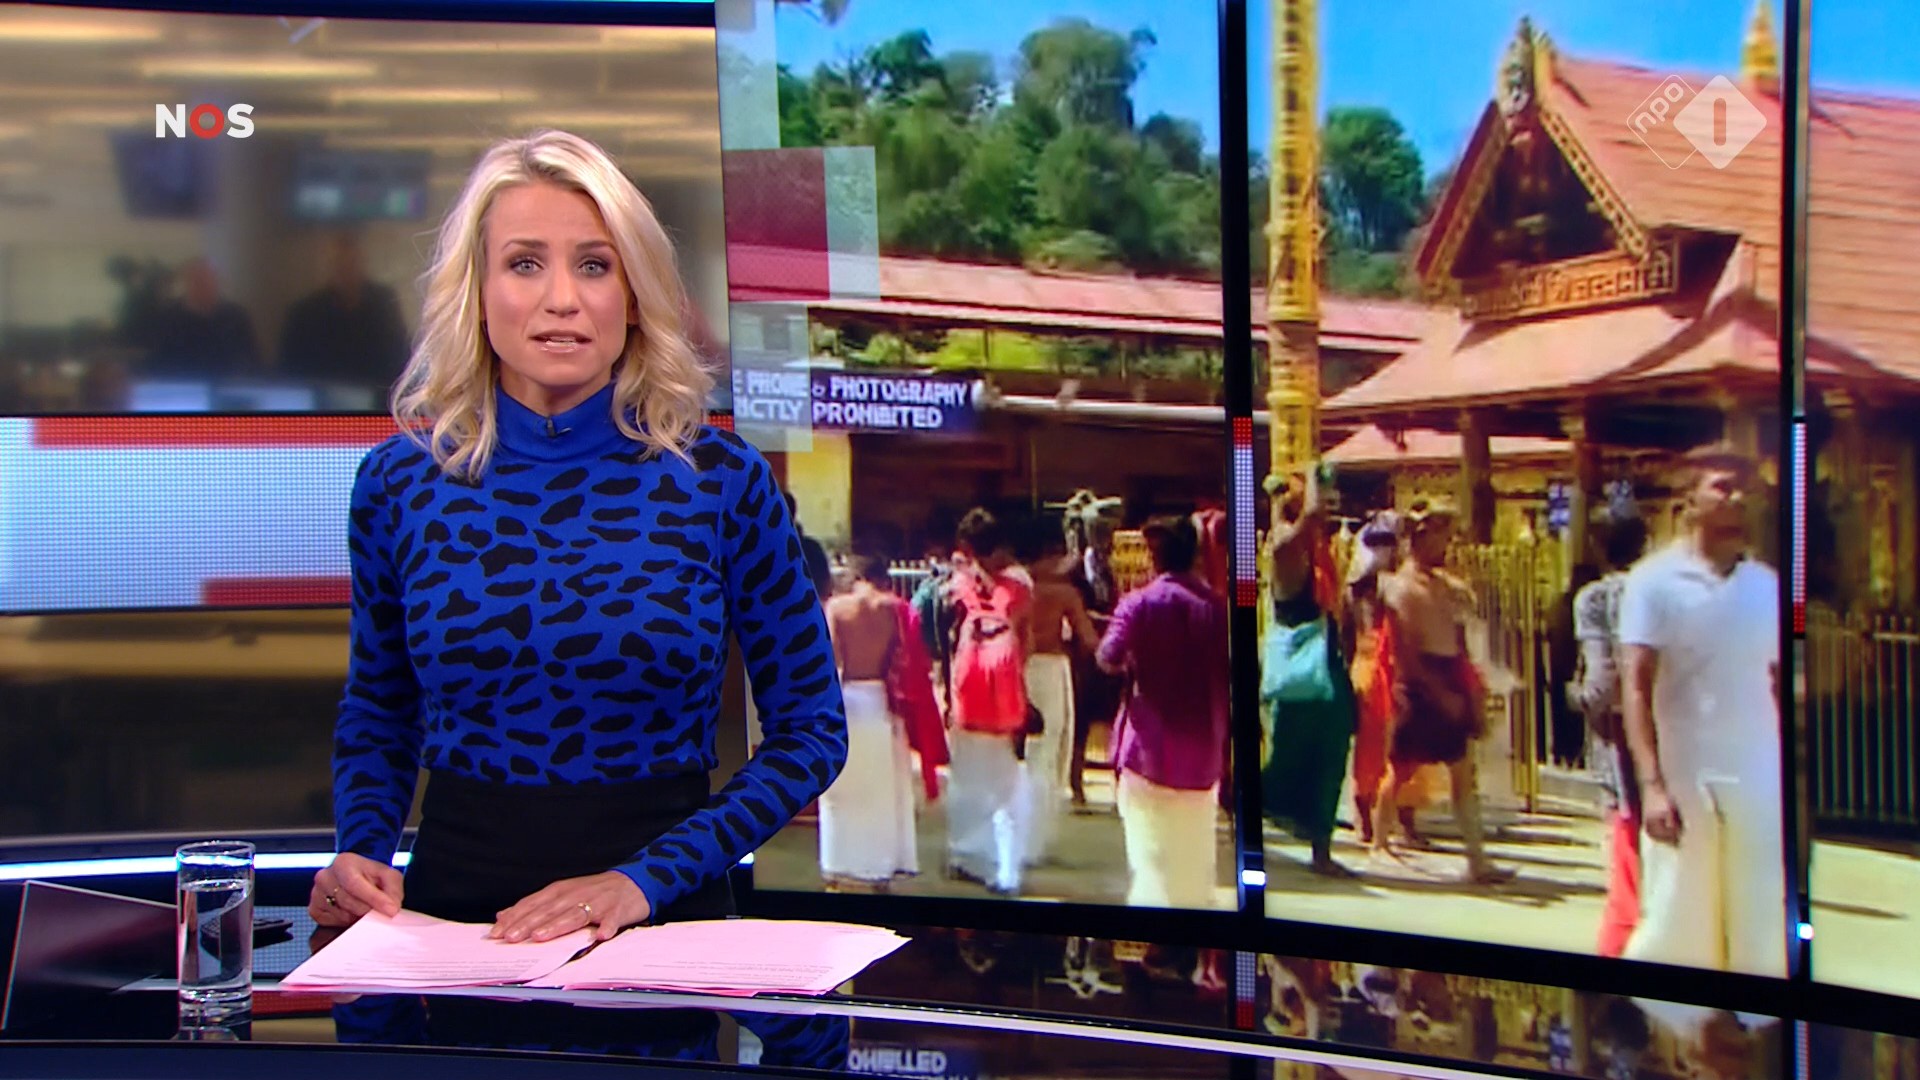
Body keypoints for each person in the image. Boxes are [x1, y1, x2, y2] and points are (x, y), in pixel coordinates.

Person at [305, 130, 847, 1051]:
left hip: (662, 930)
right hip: (452, 936)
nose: (562, 298)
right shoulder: (400, 483)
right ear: (477, 291)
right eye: (525, 263)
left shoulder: (719, 480)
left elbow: (811, 732)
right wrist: (360, 849)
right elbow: (380, 710)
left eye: (594, 265)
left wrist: (640, 882)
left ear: (633, 294)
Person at [1619, 447, 1784, 975]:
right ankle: (1676, 1018)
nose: (1736, 498)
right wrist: (1652, 785)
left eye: (1744, 488)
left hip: (1757, 769)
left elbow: (1780, 679)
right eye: (1722, 486)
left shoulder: (1767, 586)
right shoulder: (1653, 582)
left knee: (1758, 907)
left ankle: (1756, 1018)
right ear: (1688, 501)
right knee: (1681, 908)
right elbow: (1635, 685)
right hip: (1686, 770)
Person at [1371, 499, 1509, 884]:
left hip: (1448, 672)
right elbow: (1406, 654)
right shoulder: (1399, 588)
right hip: (1419, 682)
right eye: (1440, 536)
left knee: (1462, 771)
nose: (1446, 545)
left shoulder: (1444, 584)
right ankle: (1379, 842)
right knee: (1401, 769)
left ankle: (1477, 859)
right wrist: (1437, 692)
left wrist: (1467, 685)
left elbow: (1460, 631)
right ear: (1421, 538)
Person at [1098, 514, 1229, 908]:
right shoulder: (1219, 608)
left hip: (1147, 751)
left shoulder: (1138, 604)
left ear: (1154, 557)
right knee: (1194, 860)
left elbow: (1107, 657)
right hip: (1203, 754)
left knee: (1149, 858)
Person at [1258, 467, 1357, 876]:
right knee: (1292, 760)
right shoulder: (1284, 545)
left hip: (1324, 665)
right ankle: (1246, 804)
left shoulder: (1314, 551)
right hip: (1303, 674)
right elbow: (1313, 514)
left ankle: (1321, 847)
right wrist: (1315, 471)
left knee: (1329, 758)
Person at [941, 507, 1033, 895]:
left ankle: (965, 857)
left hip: (967, 695)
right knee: (1004, 786)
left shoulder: (959, 588)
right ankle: (1005, 868)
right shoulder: (1019, 587)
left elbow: (947, 641)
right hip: (1004, 700)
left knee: (967, 780)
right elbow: (1025, 642)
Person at [1572, 513, 1650, 957]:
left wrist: (1576, 697)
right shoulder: (1662, 591)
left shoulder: (1597, 599)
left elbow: (1602, 683)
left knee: (1625, 829)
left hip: (1621, 732)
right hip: (1673, 727)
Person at [818, 553, 920, 891]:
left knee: (841, 790)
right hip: (879, 702)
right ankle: (879, 869)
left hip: (847, 700)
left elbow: (831, 660)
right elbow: (902, 659)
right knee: (880, 792)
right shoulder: (893, 609)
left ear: (854, 576)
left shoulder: (838, 608)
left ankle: (837, 868)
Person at [1018, 520, 1099, 866]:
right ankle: (1038, 837)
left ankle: (1020, 833)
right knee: (1049, 749)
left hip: (1017, 669)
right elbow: (1089, 639)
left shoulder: (1015, 587)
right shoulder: (1063, 593)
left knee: (1025, 751)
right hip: (1050, 670)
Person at [278, 231, 412, 390]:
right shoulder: (304, 314)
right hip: (321, 400)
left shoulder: (384, 304)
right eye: (340, 265)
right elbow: (288, 375)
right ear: (330, 268)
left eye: (352, 263)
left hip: (378, 398)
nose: (346, 271)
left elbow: (402, 362)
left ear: (361, 264)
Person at [1345, 511, 1408, 847]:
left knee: (1400, 744)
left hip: (1390, 665)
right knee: (1371, 746)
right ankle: (1365, 812)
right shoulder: (1362, 588)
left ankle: (1398, 816)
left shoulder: (1389, 583)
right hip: (1370, 666)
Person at [143, 257, 259, 376]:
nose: (204, 286)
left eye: (209, 280)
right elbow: (157, 363)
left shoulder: (236, 317)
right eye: (197, 281)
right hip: (183, 383)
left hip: (227, 383)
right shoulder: (168, 319)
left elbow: (251, 360)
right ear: (186, 284)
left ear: (217, 283)